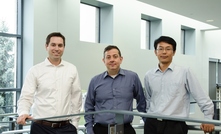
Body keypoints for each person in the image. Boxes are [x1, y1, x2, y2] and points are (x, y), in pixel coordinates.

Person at [143, 36, 215, 134]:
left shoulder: (184, 72)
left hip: (174, 126)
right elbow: (148, 99)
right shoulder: (149, 75)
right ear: (155, 52)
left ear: (174, 52)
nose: (164, 52)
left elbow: (201, 96)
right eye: (160, 49)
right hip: (152, 124)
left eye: (168, 49)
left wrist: (208, 118)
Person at [16, 32, 82, 134]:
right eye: (53, 45)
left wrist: (74, 124)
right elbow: (26, 96)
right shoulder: (35, 70)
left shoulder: (72, 69)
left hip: (66, 128)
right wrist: (23, 112)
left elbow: (76, 99)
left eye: (60, 45)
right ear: (46, 46)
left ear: (64, 47)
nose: (57, 48)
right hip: (40, 128)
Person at [84, 45, 146, 134]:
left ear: (121, 59)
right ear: (103, 60)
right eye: (108, 57)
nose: (112, 60)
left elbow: (142, 102)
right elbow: (88, 107)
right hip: (101, 130)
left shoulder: (132, 77)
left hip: (125, 129)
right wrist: (89, 130)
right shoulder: (95, 81)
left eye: (115, 56)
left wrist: (147, 122)